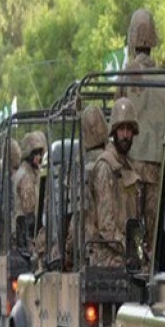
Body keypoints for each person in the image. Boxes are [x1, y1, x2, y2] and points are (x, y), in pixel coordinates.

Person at [117, 8, 165, 253]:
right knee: (155, 229)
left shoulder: (126, 74)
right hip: (159, 166)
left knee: (133, 228)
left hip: (132, 164)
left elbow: (116, 117)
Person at [86, 99, 143, 269]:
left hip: (124, 253)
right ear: (114, 131)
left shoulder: (128, 165)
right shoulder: (105, 166)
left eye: (129, 130)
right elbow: (106, 226)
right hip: (108, 258)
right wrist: (131, 249)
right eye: (121, 129)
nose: (125, 135)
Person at [64, 105, 108, 270]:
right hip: (112, 251)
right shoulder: (113, 160)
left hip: (86, 251)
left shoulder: (80, 165)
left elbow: (77, 214)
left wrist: (68, 250)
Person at [13, 131, 47, 258]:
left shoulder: (31, 171)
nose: (39, 157)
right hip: (28, 233)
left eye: (40, 153)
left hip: (28, 230)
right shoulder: (26, 175)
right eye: (36, 154)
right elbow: (29, 210)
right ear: (29, 155)